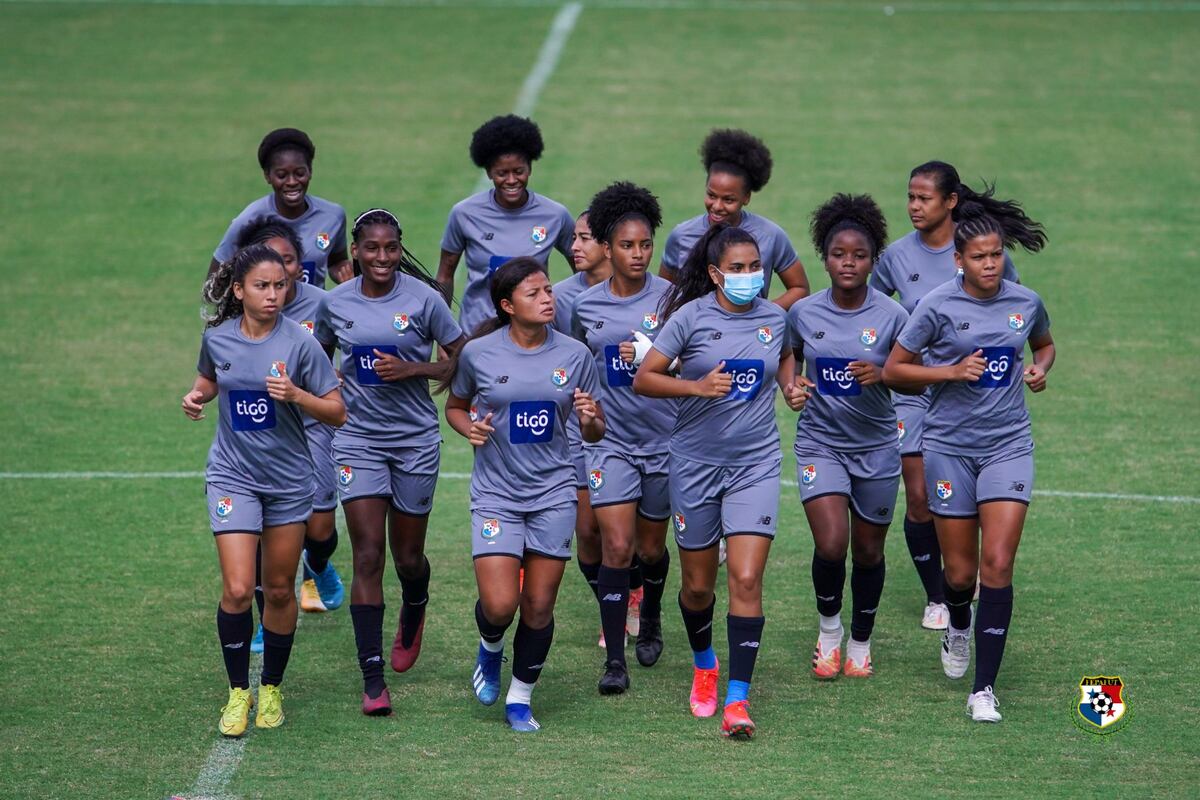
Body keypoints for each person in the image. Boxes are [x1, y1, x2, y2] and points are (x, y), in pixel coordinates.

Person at [633, 224, 806, 739]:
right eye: (737, 269)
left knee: (747, 580)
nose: (750, 276)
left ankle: (737, 698)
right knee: (697, 587)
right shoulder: (689, 318)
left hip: (755, 463)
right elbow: (646, 378)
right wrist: (696, 385)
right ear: (715, 274)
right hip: (694, 465)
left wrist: (791, 388)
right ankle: (705, 664)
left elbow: (784, 360)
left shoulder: (776, 319)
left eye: (756, 267)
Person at [883, 200, 1053, 723]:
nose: (990, 264)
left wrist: (1039, 370)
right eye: (979, 256)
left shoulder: (1025, 302)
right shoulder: (935, 307)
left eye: (997, 254)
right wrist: (950, 374)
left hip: (1008, 446)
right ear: (959, 260)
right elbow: (894, 370)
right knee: (958, 575)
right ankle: (958, 628)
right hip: (949, 449)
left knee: (996, 565)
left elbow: (1043, 345)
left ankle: (983, 689)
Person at [183, 244, 345, 737]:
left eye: (280, 286)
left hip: (288, 482)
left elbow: (337, 411)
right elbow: (210, 380)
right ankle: (238, 692)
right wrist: (196, 397)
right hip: (233, 476)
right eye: (262, 286)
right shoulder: (219, 339)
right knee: (237, 588)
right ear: (239, 290)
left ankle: (271, 686)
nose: (274, 295)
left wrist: (298, 396)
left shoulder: (300, 343)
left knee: (277, 589)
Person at [443, 257, 605, 732]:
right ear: (507, 305)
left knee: (538, 605)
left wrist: (591, 416)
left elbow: (595, 431)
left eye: (549, 290)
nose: (548, 298)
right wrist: (468, 427)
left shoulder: (575, 354)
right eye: (534, 293)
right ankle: (491, 646)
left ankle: (520, 697)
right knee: (499, 605)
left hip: (554, 494)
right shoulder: (479, 354)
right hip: (496, 494)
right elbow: (455, 406)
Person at [314, 209, 465, 716]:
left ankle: (415, 601)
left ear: (401, 248)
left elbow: (461, 356)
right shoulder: (336, 303)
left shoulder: (424, 300)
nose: (382, 257)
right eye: (372, 249)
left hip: (415, 441)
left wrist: (414, 368)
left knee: (406, 559)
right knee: (368, 556)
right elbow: (317, 359)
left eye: (391, 248)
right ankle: (373, 677)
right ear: (354, 250)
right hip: (357, 440)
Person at [870, 161, 1021, 630]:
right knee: (918, 499)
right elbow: (871, 310)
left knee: (970, 500)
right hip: (917, 390)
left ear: (950, 201)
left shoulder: (983, 252)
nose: (914, 206)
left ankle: (962, 574)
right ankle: (938, 595)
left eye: (924, 198)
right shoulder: (895, 256)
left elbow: (1013, 314)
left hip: (971, 397)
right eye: (910, 197)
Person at [787, 195, 908, 679]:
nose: (849, 263)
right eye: (839, 254)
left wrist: (884, 373)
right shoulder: (805, 312)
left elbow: (913, 372)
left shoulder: (894, 317)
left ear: (873, 259)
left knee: (870, 551)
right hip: (821, 443)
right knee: (833, 544)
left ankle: (861, 638)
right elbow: (788, 355)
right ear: (825, 256)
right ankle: (831, 631)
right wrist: (792, 385)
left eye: (859, 255)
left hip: (877, 447)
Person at [570, 182, 676, 693]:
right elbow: (571, 364)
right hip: (608, 442)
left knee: (651, 550)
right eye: (628, 246)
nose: (638, 254)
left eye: (645, 245)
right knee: (616, 545)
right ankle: (615, 661)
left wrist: (659, 356)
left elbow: (696, 362)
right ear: (607, 249)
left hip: (665, 441)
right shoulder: (584, 307)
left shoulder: (675, 300)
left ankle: (651, 614)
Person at [233, 219, 344, 656]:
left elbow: (349, 346)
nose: (279, 275)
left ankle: (319, 565)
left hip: (312, 425)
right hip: (260, 435)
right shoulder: (240, 309)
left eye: (289, 261)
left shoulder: (325, 305)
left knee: (318, 527)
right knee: (261, 530)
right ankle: (264, 620)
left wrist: (336, 378)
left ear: (301, 265)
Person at [551, 210, 628, 646]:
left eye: (584, 238)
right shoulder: (561, 297)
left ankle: (627, 601)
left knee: (627, 536)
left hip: (637, 429)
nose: (574, 247)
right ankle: (613, 602)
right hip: (580, 427)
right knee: (587, 532)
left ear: (608, 245)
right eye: (574, 238)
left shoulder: (646, 295)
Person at [437, 115, 575, 336]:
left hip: (534, 335)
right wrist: (444, 334)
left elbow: (584, 269)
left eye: (518, 171)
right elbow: (445, 275)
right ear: (489, 172)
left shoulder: (555, 215)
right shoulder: (464, 214)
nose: (511, 181)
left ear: (530, 168)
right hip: (477, 335)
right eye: (502, 173)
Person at [658, 129, 809, 309]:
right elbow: (663, 294)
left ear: (746, 197)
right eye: (711, 195)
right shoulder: (681, 235)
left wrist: (765, 315)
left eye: (728, 199)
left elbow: (799, 288)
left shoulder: (770, 235)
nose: (717, 206)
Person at [210, 128, 351, 287]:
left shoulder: (332, 216)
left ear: (310, 171)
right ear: (267, 176)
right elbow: (215, 280)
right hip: (266, 311)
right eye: (282, 175)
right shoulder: (249, 220)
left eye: (299, 173)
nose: (292, 182)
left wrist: (344, 273)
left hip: (314, 311)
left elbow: (336, 261)